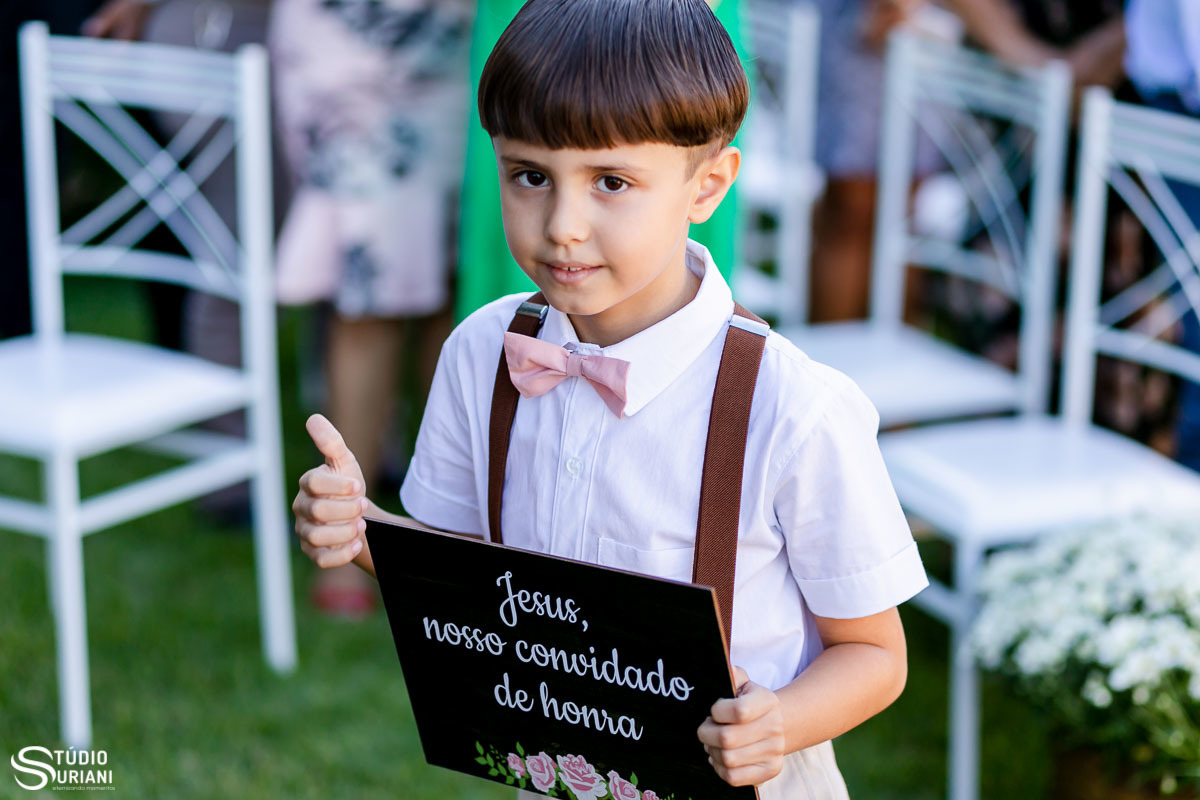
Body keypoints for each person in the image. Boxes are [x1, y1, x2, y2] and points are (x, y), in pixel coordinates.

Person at [292, 0, 928, 795]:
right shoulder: (482, 355)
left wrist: (781, 721)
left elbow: (875, 653)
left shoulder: (794, 409)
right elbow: (464, 577)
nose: (562, 225)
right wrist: (362, 531)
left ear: (709, 185)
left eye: (612, 182)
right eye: (530, 176)